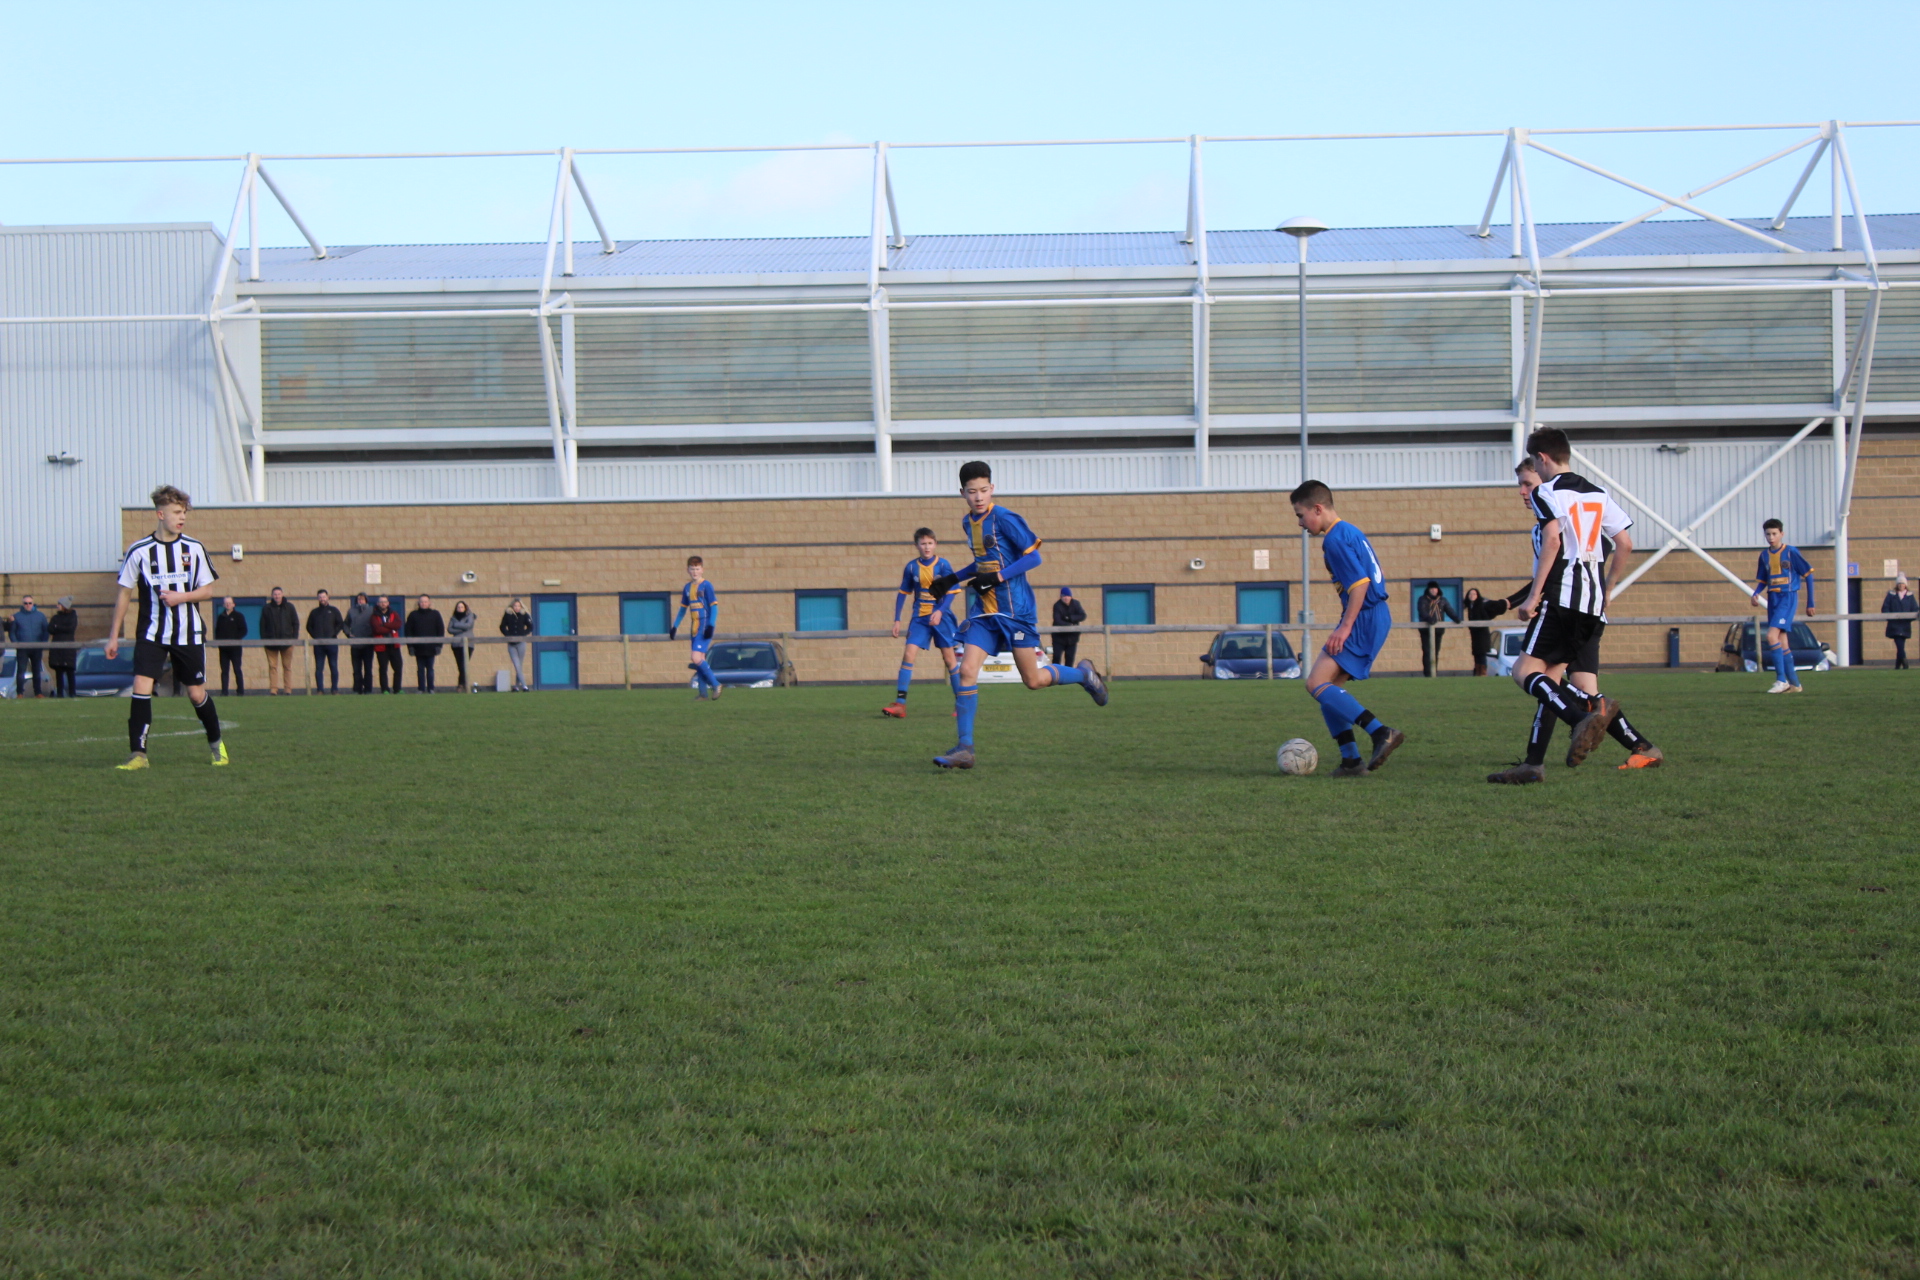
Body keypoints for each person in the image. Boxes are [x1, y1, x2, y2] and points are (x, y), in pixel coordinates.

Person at [1489, 432, 1659, 785]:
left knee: (1524, 672)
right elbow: (1624, 543)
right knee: (1558, 684)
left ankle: (1584, 715)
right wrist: (1608, 588)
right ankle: (1540, 761)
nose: (1523, 491)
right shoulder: (1596, 494)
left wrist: (1532, 598)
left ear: (1542, 460)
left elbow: (1554, 545)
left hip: (1563, 601)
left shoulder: (1548, 495)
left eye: (1527, 482)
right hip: (1593, 607)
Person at [922, 461, 1108, 769]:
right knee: (966, 670)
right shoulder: (968, 523)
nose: (978, 497)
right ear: (962, 493)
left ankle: (1084, 675)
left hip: (1015, 611)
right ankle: (965, 749)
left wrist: (996, 578)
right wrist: (952, 579)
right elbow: (983, 562)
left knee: (1033, 680)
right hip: (985, 612)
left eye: (983, 490)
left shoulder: (1005, 518)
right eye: (972, 491)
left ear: (992, 489)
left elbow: (1034, 558)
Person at [105, 485, 227, 769]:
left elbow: (208, 590)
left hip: (188, 633)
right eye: (176, 512)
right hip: (151, 633)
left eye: (184, 512)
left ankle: (216, 745)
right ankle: (138, 755)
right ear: (161, 514)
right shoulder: (139, 551)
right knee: (141, 685)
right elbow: (124, 593)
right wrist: (113, 636)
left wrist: (180, 597)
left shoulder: (194, 548)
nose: (182, 517)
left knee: (196, 693)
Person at [1289, 481, 1404, 779]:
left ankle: (1381, 732)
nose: (1300, 523)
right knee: (1330, 688)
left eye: (1301, 515)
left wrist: (1345, 627)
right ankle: (1351, 761)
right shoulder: (1350, 530)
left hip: (1364, 616)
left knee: (1315, 683)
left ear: (1318, 508)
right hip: (1375, 615)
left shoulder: (1334, 539)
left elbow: (1360, 585)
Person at [882, 527, 963, 719]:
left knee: (949, 659)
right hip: (919, 618)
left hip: (941, 618)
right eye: (923, 543)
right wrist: (897, 620)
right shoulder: (911, 567)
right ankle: (900, 704)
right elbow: (903, 593)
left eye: (930, 543)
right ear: (916, 545)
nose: (927, 547)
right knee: (908, 654)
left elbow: (952, 592)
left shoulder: (943, 565)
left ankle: (961, 704)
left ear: (935, 544)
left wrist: (940, 611)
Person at [1750, 517, 1815, 694]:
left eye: (1774, 534)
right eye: (1768, 534)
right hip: (1773, 598)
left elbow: (1808, 574)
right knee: (1782, 642)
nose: (1771, 537)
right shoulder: (1764, 555)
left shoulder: (1791, 552)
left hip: (1787, 597)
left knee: (1771, 636)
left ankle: (1781, 680)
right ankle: (1795, 684)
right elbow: (1763, 579)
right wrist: (1756, 593)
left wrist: (1810, 602)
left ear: (1781, 534)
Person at [671, 556, 721, 700]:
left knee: (695, 657)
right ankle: (703, 693)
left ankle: (716, 684)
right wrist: (675, 627)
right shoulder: (687, 588)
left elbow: (714, 607)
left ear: (702, 570)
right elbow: (683, 609)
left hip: (704, 625)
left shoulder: (706, 585)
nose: (695, 572)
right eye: (692, 569)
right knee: (699, 659)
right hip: (694, 626)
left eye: (697, 569)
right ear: (688, 570)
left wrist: (711, 625)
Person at [1463, 586, 1523, 677]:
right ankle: (1477, 673)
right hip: (1474, 634)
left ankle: (1482, 673)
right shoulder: (1470, 606)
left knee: (1482, 654)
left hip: (1482, 634)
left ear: (1477, 595)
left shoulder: (1481, 604)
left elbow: (1486, 617)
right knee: (1476, 653)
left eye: (1474, 594)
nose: (1472, 596)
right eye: (1470, 594)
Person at [258, 586, 299, 695]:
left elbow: (295, 623)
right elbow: (262, 625)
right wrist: (265, 640)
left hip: (287, 643)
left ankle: (288, 689)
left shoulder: (289, 607)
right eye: (275, 594)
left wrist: (294, 639)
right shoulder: (267, 608)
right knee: (273, 667)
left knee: (287, 667)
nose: (277, 596)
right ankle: (274, 689)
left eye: (278, 594)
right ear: (272, 596)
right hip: (270, 644)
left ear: (282, 594)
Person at [1417, 581, 1461, 676]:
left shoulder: (1442, 600)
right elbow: (1422, 611)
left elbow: (1449, 610)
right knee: (1427, 651)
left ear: (1438, 590)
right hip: (1425, 630)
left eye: (1435, 588)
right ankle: (1428, 673)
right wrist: (1429, 619)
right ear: (1428, 590)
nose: (1433, 590)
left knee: (1435, 651)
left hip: (1438, 630)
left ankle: (1434, 672)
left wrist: (1456, 618)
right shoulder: (1423, 599)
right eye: (1431, 588)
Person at [403, 594, 446, 693]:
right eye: (422, 602)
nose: (423, 603)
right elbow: (408, 631)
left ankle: (431, 688)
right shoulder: (413, 615)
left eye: (425, 602)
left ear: (429, 603)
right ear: (419, 603)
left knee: (430, 669)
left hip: (432, 647)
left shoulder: (435, 614)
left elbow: (440, 630)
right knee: (420, 669)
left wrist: (439, 645)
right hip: (418, 648)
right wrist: (410, 646)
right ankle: (421, 689)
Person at [306, 589, 345, 694]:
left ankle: (334, 689)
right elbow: (309, 626)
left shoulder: (334, 610)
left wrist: (333, 634)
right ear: (317, 598)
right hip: (318, 645)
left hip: (332, 643)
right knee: (319, 667)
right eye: (320, 597)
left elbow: (340, 624)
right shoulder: (314, 612)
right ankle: (320, 690)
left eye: (324, 597)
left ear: (328, 597)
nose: (322, 599)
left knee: (333, 666)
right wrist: (316, 636)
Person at [10, 595, 48, 698]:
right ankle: (20, 693)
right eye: (25, 603)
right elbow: (12, 632)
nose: (28, 605)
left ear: (33, 604)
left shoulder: (40, 616)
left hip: (36, 648)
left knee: (36, 671)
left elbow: (45, 630)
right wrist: (16, 644)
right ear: (22, 604)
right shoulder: (17, 616)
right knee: (21, 671)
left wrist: (43, 643)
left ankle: (38, 692)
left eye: (30, 603)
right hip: (22, 648)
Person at [213, 596, 248, 695]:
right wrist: (219, 642)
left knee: (237, 669)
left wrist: (235, 639)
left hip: (235, 648)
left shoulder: (238, 616)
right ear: (224, 605)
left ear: (233, 604)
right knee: (224, 671)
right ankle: (224, 692)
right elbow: (217, 631)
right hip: (223, 649)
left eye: (229, 603)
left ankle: (240, 691)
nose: (228, 604)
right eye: (226, 603)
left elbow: (244, 630)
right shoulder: (221, 617)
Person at [46, 597, 79, 699]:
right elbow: (50, 629)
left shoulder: (72, 617)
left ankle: (72, 693)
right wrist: (58, 627)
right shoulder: (55, 617)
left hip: (68, 649)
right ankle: (60, 693)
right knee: (58, 671)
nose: (57, 606)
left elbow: (70, 629)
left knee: (70, 671)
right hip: (57, 648)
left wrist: (58, 627)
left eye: (59, 604)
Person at [370, 595, 403, 693]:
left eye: (385, 602)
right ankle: (385, 689)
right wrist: (391, 628)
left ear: (388, 603)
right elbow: (377, 629)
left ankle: (397, 689)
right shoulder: (374, 616)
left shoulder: (394, 613)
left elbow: (398, 624)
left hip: (394, 645)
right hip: (381, 646)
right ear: (377, 603)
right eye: (381, 602)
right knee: (383, 669)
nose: (383, 604)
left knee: (398, 667)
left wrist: (384, 625)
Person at [345, 591, 375, 694]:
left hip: (368, 644)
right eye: (358, 599)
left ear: (366, 600)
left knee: (368, 668)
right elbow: (345, 624)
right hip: (355, 645)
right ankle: (357, 689)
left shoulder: (372, 610)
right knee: (356, 669)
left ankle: (368, 689)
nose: (360, 601)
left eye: (362, 599)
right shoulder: (351, 611)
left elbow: (376, 623)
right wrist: (349, 634)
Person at [500, 598, 532, 691]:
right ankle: (525, 686)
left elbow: (530, 626)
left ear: (521, 606)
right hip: (511, 644)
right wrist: (508, 635)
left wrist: (523, 634)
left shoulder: (524, 614)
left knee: (519, 665)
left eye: (518, 606)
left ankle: (516, 686)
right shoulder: (508, 614)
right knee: (516, 664)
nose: (517, 607)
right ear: (512, 606)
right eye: (515, 606)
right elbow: (502, 626)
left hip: (521, 643)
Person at [1884, 575, 1915, 669]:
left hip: (1905, 626)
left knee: (1900, 646)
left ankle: (1897, 666)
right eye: (1899, 583)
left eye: (1902, 583)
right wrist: (1891, 617)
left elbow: (1915, 608)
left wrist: (1909, 618)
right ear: (1897, 585)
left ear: (1905, 585)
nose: (1901, 585)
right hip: (1894, 626)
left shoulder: (1910, 596)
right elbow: (1885, 608)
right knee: (1899, 644)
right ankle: (1905, 663)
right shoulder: (1891, 595)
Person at [1051, 586, 1087, 668]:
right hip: (1059, 638)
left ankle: (1068, 675)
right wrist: (1070, 625)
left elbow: (1083, 616)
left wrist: (1070, 618)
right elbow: (1057, 620)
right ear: (1061, 597)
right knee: (1056, 658)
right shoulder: (1057, 605)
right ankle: (1056, 674)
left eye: (1068, 596)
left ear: (1071, 596)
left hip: (1072, 638)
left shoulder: (1076, 604)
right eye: (1064, 596)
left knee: (1070, 659)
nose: (1066, 598)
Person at [448, 601, 475, 691]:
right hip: (456, 644)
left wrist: (456, 625)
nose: (460, 609)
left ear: (465, 608)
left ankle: (461, 685)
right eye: (458, 607)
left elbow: (468, 626)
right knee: (460, 665)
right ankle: (463, 685)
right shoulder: (453, 618)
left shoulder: (470, 616)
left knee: (464, 665)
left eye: (462, 607)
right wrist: (461, 630)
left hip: (468, 644)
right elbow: (450, 629)